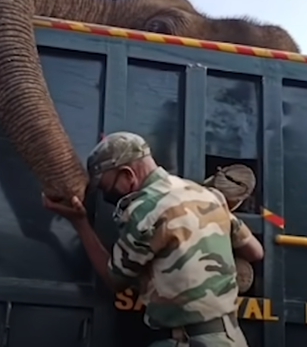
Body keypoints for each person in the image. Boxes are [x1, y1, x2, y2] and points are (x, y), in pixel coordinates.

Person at [43, 131, 264, 347]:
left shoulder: (144, 211)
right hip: (230, 337)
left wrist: (80, 223)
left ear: (128, 175)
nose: (108, 196)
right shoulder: (208, 195)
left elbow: (115, 280)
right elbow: (255, 251)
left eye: (107, 188)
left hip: (187, 340)